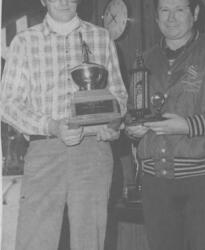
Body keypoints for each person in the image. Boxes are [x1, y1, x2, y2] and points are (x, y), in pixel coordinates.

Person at [0, 0, 127, 249]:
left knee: (90, 242)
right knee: (35, 242)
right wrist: (52, 126)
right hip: (45, 150)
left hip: (95, 151)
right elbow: (7, 104)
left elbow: (119, 98)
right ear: (43, 0)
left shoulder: (101, 37)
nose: (65, 1)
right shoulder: (24, 41)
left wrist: (112, 124)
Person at [126, 0, 205, 249]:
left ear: (194, 14)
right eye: (164, 10)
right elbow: (133, 112)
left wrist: (191, 125)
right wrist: (134, 129)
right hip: (156, 186)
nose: (171, 18)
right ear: (156, 17)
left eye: (179, 9)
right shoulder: (145, 59)